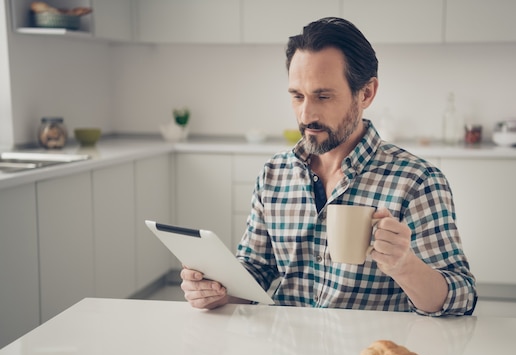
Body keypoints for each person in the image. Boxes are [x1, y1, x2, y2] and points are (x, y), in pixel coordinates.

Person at [180, 17, 477, 316]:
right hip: (285, 354)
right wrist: (216, 290)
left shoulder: (417, 181)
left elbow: (462, 298)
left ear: (366, 94)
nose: (306, 114)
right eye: (297, 96)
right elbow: (256, 269)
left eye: (323, 96)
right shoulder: (274, 174)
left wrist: (406, 267)